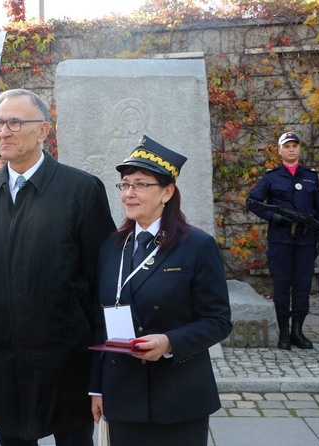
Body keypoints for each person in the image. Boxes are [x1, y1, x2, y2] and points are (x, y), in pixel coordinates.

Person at [0, 88, 115, 446]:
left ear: (43, 131)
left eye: (16, 122)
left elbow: (101, 278)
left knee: (73, 437)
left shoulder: (81, 189)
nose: (5, 131)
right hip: (5, 355)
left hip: (66, 355)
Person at [89, 135, 232, 445]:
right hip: (122, 393)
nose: (128, 193)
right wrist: (97, 388)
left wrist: (169, 342)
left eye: (140, 184)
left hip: (178, 395)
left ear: (167, 192)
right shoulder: (111, 248)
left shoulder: (196, 246)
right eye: (125, 185)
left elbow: (218, 321)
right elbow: (101, 322)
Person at [247, 131, 319, 350]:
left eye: (295, 145)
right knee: (281, 286)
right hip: (280, 241)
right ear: (280, 151)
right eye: (287, 146)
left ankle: (297, 332)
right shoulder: (271, 177)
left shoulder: (311, 176)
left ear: (299, 149)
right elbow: (252, 202)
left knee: (302, 287)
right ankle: (283, 333)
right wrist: (274, 217)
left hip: (305, 241)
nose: (291, 149)